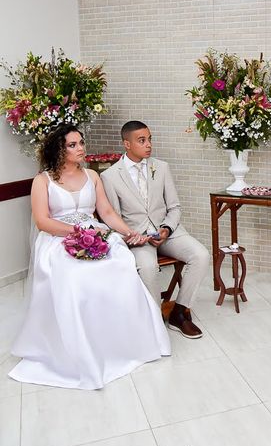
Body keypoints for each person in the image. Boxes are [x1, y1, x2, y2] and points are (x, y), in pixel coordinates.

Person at [9, 124, 171, 390]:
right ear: (59, 149)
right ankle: (81, 350)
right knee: (75, 277)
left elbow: (105, 213)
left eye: (81, 143)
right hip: (58, 239)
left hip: (94, 233)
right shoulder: (43, 181)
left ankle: (122, 342)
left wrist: (128, 232)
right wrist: (77, 232)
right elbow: (42, 222)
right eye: (73, 145)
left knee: (122, 265)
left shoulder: (92, 177)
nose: (81, 148)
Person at [101, 121, 209, 339]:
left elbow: (175, 207)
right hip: (137, 238)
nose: (148, 144)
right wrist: (132, 237)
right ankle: (154, 318)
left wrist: (167, 229)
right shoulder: (110, 176)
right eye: (142, 140)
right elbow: (113, 218)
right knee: (148, 268)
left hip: (168, 232)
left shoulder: (161, 167)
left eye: (150, 139)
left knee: (201, 255)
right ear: (127, 144)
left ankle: (179, 312)